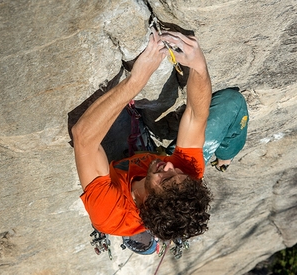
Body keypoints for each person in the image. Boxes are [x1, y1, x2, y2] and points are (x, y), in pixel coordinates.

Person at [71, 30, 247, 241]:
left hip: (116, 168)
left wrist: (136, 80)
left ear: (147, 202)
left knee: (92, 117)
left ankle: (224, 159)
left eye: (165, 180)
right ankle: (226, 155)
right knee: (232, 103)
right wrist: (198, 66)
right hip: (146, 160)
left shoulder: (111, 214)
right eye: (178, 172)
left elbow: (83, 137)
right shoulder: (186, 178)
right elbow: (194, 116)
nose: (171, 167)